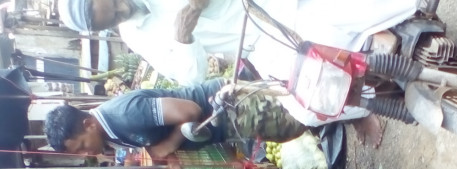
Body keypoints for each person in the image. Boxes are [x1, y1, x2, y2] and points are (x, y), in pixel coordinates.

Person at [56, 0, 417, 86]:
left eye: (114, 5)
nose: (124, 10)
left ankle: (395, 32)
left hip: (262, 4)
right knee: (308, 97)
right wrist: (183, 37)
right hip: (258, 45)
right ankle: (379, 69)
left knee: (330, 16)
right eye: (114, 18)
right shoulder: (134, 36)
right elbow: (191, 77)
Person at [44, 78, 307, 160]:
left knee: (300, 120)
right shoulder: (110, 130)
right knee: (297, 124)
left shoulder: (123, 115)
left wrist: (168, 145)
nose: (87, 153)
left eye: (82, 146)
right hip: (228, 122)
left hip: (235, 108)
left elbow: (189, 111)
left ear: (88, 124)